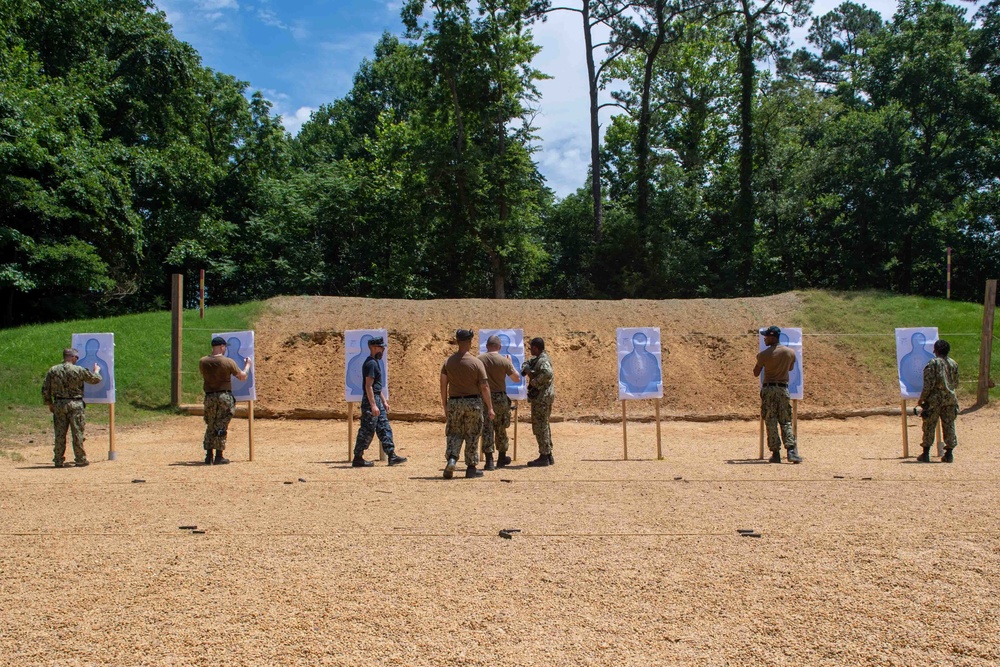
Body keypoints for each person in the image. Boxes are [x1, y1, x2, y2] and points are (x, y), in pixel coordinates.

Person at [441, 329, 494, 479]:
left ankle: (452, 459)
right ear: (470, 342)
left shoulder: (448, 362)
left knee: (454, 433)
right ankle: (471, 468)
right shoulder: (477, 363)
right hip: (473, 403)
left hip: (454, 402)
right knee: (472, 434)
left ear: (457, 342)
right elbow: (484, 387)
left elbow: (443, 385)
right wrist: (490, 407)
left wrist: (445, 405)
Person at [42, 348, 102, 467]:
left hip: (59, 404)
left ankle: (58, 460)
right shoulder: (78, 370)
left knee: (59, 433)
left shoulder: (53, 370)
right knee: (77, 432)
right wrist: (96, 371)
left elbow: (45, 389)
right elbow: (96, 379)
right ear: (73, 357)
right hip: (75, 404)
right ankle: (80, 459)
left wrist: (49, 403)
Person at [352, 336, 407, 467]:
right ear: (374, 348)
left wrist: (384, 402)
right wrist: (373, 405)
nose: (382, 350)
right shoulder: (371, 363)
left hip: (376, 399)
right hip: (371, 401)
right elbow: (368, 386)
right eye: (381, 347)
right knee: (367, 429)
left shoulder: (375, 362)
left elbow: (377, 387)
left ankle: (391, 455)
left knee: (384, 427)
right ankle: (358, 458)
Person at [199, 336, 251, 465]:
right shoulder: (228, 362)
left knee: (210, 424)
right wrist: (247, 365)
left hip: (209, 396)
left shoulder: (203, 361)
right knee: (221, 425)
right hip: (224, 396)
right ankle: (219, 455)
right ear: (222, 347)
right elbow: (242, 377)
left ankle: (208, 455)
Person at [753, 326, 801, 464]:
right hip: (783, 389)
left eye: (766, 336)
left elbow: (756, 373)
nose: (765, 339)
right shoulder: (790, 353)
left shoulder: (764, 355)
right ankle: (791, 451)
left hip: (769, 389)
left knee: (771, 420)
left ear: (772, 337)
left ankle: (776, 453)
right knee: (786, 420)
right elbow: (790, 368)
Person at [478, 335, 521, 470]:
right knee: (501, 428)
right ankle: (502, 457)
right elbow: (516, 378)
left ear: (487, 346)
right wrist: (510, 363)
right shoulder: (504, 361)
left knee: (487, 428)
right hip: (501, 399)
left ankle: (489, 460)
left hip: (485, 398)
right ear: (500, 347)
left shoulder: (478, 360)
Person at [916, 339, 960, 463]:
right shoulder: (953, 364)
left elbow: (928, 384)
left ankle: (925, 454)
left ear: (937, 350)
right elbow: (956, 383)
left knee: (929, 426)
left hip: (934, 401)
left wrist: (922, 399)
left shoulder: (933, 363)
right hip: (950, 400)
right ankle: (949, 454)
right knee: (949, 425)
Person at [522, 337, 555, 467]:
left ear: (536, 348)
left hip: (542, 398)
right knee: (544, 424)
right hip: (543, 398)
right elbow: (527, 363)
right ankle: (548, 454)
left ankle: (544, 456)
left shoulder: (542, 360)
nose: (530, 350)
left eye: (531, 347)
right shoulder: (538, 359)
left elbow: (548, 373)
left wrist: (534, 383)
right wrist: (527, 369)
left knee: (540, 426)